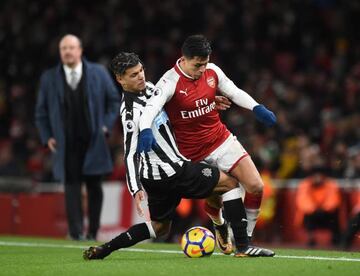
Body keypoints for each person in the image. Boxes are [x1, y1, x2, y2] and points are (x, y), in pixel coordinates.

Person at [83, 52, 274, 260]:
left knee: (160, 227)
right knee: (229, 184)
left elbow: (175, 106)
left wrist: (207, 103)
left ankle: (106, 249)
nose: (140, 77)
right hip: (172, 170)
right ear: (120, 79)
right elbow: (130, 153)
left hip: (155, 179)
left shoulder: (150, 89)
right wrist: (135, 188)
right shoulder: (130, 113)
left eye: (141, 71)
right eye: (133, 75)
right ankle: (242, 246)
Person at [137, 35, 276, 249]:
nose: (202, 69)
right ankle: (218, 221)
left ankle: (245, 238)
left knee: (256, 186)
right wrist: (145, 130)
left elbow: (234, 91)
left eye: (205, 63)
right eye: (197, 65)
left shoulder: (212, 71)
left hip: (220, 139)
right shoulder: (169, 81)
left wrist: (257, 107)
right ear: (184, 59)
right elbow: (150, 109)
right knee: (218, 196)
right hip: (191, 154)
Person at [35, 34, 120, 240]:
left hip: (94, 141)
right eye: (63, 48)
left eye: (71, 47)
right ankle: (75, 232)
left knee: (94, 186)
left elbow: (114, 101)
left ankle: (93, 231)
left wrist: (105, 127)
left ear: (80, 50)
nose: (67, 51)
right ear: (60, 52)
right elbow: (41, 112)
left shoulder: (98, 73)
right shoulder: (49, 78)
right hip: (66, 143)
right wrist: (47, 137)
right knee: (71, 186)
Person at [295, 166, 341, 246]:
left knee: (335, 213)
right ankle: (311, 238)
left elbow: (333, 200)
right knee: (308, 215)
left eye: (320, 175)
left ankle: (336, 239)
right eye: (315, 176)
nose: (318, 178)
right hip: (312, 213)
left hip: (327, 213)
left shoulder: (330, 184)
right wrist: (314, 209)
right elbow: (303, 200)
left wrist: (324, 209)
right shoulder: (305, 184)